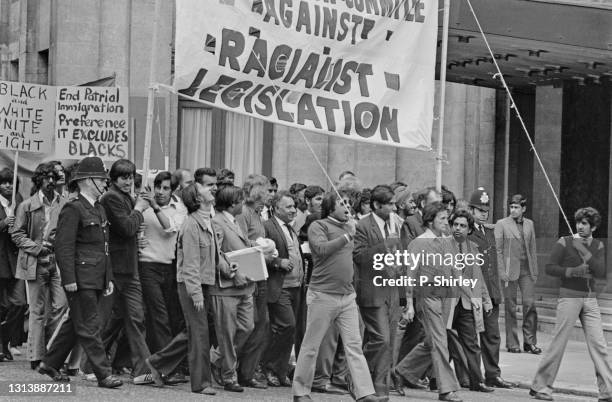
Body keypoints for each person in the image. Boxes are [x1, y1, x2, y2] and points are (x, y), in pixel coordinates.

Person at [292, 191, 387, 402]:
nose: (348, 208)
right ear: (330, 206)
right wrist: (347, 236)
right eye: (342, 204)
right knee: (311, 344)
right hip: (322, 294)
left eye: (349, 204)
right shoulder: (319, 225)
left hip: (347, 295)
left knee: (354, 344)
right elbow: (320, 249)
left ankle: (364, 393)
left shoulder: (349, 227)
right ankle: (300, 391)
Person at [37, 156, 122, 388]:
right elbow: (64, 247)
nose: (105, 184)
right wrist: (69, 279)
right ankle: (103, 374)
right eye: (101, 179)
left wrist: (108, 278)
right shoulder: (73, 208)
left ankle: (50, 363)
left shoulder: (99, 209)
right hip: (81, 278)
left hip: (96, 277)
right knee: (90, 326)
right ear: (87, 181)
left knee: (77, 322)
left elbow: (104, 249)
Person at [530, 207, 612, 401]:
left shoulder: (598, 245)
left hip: (590, 300)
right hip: (569, 297)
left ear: (593, 226)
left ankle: (607, 391)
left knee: (599, 345)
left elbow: (600, 271)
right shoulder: (564, 242)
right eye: (578, 223)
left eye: (585, 223)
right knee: (558, 344)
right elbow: (550, 268)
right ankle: (541, 387)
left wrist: (583, 249)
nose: (580, 226)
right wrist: (572, 271)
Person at [145, 183, 219, 395]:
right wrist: (195, 293)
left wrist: (226, 266)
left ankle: (157, 363)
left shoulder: (206, 221)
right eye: (205, 187)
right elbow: (191, 265)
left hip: (202, 283)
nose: (211, 188)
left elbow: (213, 256)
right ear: (198, 197)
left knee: (193, 332)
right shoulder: (191, 225)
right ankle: (201, 383)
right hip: (191, 285)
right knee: (199, 334)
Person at [393, 201, 463, 402]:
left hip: (446, 297)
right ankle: (446, 389)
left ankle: (401, 371)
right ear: (430, 221)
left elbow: (456, 271)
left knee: (432, 341)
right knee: (440, 342)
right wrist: (410, 305)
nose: (446, 222)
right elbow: (410, 276)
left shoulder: (449, 242)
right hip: (427, 296)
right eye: (442, 218)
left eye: (446, 218)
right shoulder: (418, 243)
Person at [99, 159, 153, 384]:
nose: (128, 181)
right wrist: (139, 209)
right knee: (133, 317)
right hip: (119, 267)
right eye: (124, 177)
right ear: (113, 179)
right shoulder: (111, 197)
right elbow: (126, 227)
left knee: (120, 318)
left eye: (131, 177)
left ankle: (90, 362)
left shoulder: (124, 197)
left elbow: (129, 230)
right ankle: (141, 369)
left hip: (126, 264)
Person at [12, 162, 68, 369]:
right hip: (34, 261)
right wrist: (36, 247)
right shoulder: (26, 205)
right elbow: (17, 234)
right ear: (39, 180)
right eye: (46, 178)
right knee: (37, 310)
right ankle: (36, 356)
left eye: (53, 178)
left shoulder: (64, 203)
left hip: (58, 261)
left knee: (60, 306)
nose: (50, 182)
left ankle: (53, 354)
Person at [354, 185, 401, 397]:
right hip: (372, 290)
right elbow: (359, 256)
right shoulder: (363, 225)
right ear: (376, 205)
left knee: (386, 342)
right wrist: (384, 247)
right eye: (390, 204)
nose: (394, 207)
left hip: (391, 289)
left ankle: (380, 389)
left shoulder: (395, 225)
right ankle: (353, 373)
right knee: (381, 340)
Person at [467, 188, 514, 388]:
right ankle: (471, 376)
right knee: (469, 338)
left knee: (492, 335)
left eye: (485, 209)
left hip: (491, 292)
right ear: (471, 210)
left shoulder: (490, 232)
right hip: (474, 292)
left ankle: (493, 374)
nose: (483, 213)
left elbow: (493, 264)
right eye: (479, 209)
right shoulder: (465, 232)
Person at [138, 172, 187, 364]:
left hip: (168, 267)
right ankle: (164, 365)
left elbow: (170, 229)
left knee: (167, 315)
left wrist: (155, 207)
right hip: (146, 265)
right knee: (158, 315)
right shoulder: (143, 205)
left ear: (173, 191)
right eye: (157, 187)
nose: (159, 192)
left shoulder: (179, 209)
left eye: (165, 188)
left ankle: (155, 360)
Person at [210, 185, 255, 392]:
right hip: (227, 285)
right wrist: (230, 272)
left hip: (244, 284)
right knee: (227, 333)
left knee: (246, 327)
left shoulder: (235, 221)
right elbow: (216, 253)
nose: (244, 205)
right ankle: (229, 376)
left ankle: (216, 358)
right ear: (233, 203)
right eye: (241, 201)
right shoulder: (217, 222)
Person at [447, 210, 494, 393]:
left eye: (463, 226)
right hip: (448, 302)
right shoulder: (444, 245)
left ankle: (477, 381)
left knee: (472, 343)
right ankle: (431, 378)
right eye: (455, 225)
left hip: (466, 303)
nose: (458, 228)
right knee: (438, 343)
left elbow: (478, 278)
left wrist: (486, 301)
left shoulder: (472, 248)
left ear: (469, 230)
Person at [263, 191, 304, 387]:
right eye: (288, 206)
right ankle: (269, 367)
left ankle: (280, 370)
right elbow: (261, 251)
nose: (293, 210)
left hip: (296, 286)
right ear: (276, 208)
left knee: (292, 329)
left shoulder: (291, 228)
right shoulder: (268, 226)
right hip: (280, 286)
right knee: (286, 325)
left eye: (294, 206)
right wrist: (278, 262)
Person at [235, 174, 271, 389]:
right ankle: (233, 366)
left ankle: (246, 371)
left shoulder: (257, 213)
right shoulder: (245, 212)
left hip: (261, 270)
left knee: (260, 324)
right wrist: (262, 247)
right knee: (252, 323)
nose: (268, 196)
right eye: (265, 192)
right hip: (251, 272)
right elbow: (239, 240)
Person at [494, 194, 541, 354]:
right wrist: (501, 271)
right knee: (511, 307)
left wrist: (535, 270)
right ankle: (512, 343)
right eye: (511, 207)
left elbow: (533, 248)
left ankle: (529, 342)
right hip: (509, 270)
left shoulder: (529, 224)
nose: (513, 210)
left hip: (526, 270)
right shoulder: (502, 224)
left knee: (530, 304)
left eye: (516, 207)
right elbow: (498, 250)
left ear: (523, 209)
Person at [0, 169, 25, 362]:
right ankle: (3, 347)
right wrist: (3, 223)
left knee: (18, 303)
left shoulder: (19, 202)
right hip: (1, 261)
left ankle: (6, 342)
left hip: (14, 261)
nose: (8, 186)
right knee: (2, 306)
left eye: (11, 182)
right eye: (4, 182)